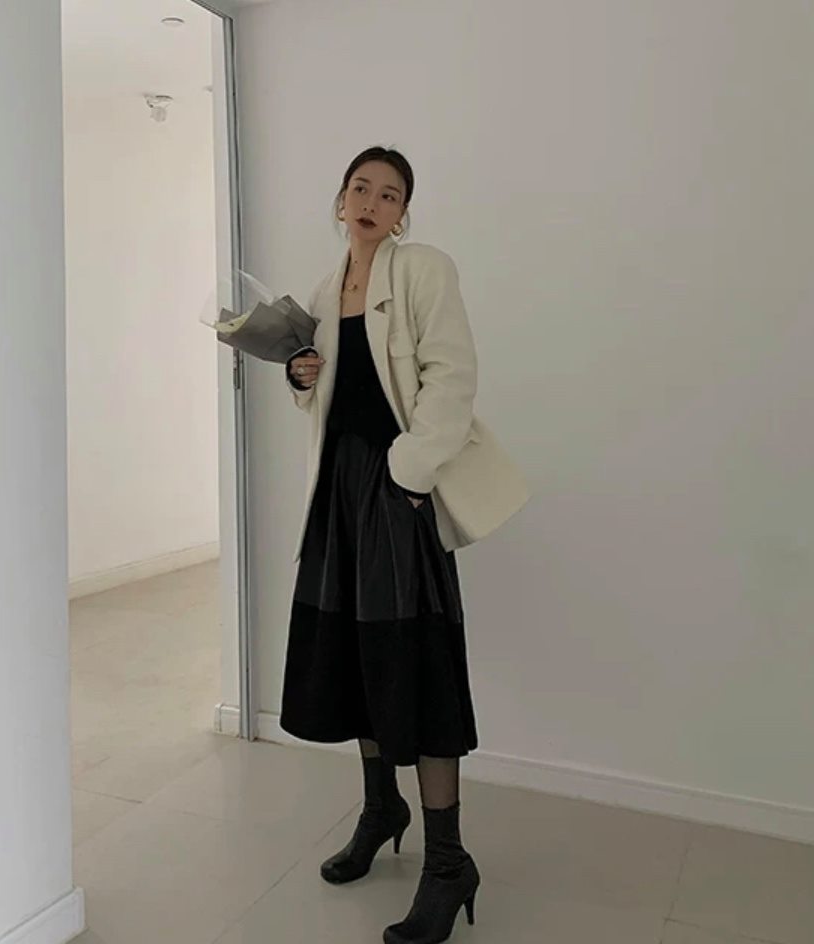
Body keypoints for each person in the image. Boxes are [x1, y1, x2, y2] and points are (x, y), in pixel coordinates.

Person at [279, 146, 529, 944]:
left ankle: (448, 861)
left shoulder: (423, 270)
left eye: (389, 194)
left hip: (395, 491)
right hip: (339, 495)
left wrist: (408, 474)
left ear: (402, 213)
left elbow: (452, 379)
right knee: (357, 656)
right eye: (361, 188)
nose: (371, 201)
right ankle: (381, 807)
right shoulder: (324, 290)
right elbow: (332, 395)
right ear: (340, 199)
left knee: (415, 665)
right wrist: (302, 377)